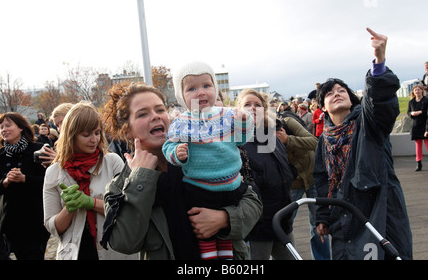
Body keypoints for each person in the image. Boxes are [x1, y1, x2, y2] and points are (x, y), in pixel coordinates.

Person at [100, 83, 262, 260]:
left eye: (160, 110)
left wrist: (224, 219)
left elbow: (253, 201)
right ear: (127, 131)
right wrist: (140, 178)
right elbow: (125, 242)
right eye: (143, 114)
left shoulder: (200, 155)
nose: (155, 117)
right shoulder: (121, 184)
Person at [314, 28, 412, 260]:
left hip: (379, 210)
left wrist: (379, 61)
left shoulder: (367, 122)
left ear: (351, 99)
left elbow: (379, 102)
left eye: (341, 90)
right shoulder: (324, 140)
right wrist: (323, 217)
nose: (336, 93)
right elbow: (322, 180)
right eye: (329, 93)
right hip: (343, 216)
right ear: (323, 107)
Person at [162, 61, 254, 260]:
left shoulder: (228, 115)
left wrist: (243, 122)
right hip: (198, 187)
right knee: (205, 234)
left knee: (225, 233)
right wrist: (177, 154)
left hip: (231, 186)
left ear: (215, 88)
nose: (201, 92)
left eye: (206, 85)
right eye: (192, 88)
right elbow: (167, 146)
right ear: (181, 96)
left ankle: (227, 258)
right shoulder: (182, 121)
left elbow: (241, 139)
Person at [43, 101, 137, 260]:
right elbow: (52, 226)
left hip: (115, 251)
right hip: (75, 253)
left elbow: (129, 208)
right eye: (86, 135)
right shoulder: (54, 172)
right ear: (71, 136)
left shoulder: (112, 161)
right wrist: (69, 208)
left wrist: (91, 202)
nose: (94, 139)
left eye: (97, 132)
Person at [237, 89, 296, 260]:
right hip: (256, 227)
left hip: (282, 220)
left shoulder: (273, 138)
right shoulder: (235, 141)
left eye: (257, 105)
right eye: (247, 104)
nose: (253, 108)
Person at [276, 108, 330, 260]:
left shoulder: (287, 122)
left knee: (319, 223)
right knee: (284, 224)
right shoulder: (260, 135)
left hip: (311, 175)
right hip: (291, 184)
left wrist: (288, 140)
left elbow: (314, 142)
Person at [0, 113, 50, 260]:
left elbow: (50, 182)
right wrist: (5, 181)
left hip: (35, 217)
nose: (4, 130)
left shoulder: (39, 150)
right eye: (1, 127)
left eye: (8, 126)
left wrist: (25, 179)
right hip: (11, 219)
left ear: (20, 127)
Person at [408, 85, 428, 171]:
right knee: (418, 145)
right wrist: (412, 114)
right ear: (413, 92)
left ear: (422, 91)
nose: (417, 91)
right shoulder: (411, 102)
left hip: (425, 124)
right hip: (416, 125)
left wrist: (420, 112)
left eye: (419, 90)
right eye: (415, 90)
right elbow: (408, 112)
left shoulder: (427, 100)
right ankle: (418, 163)